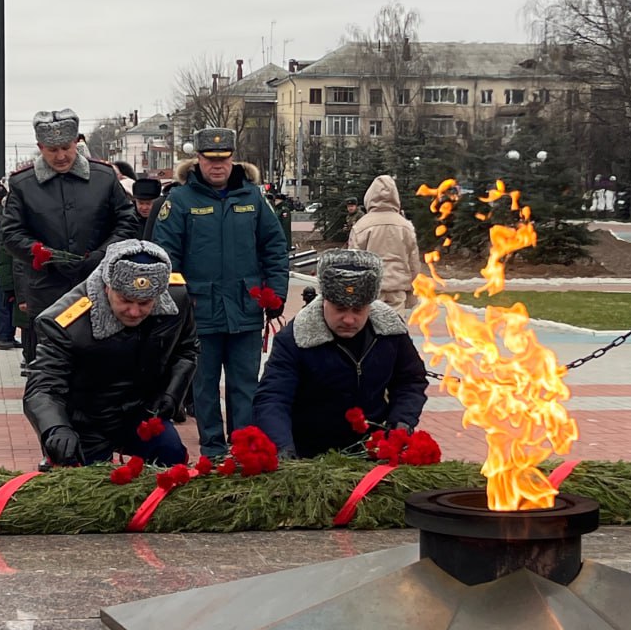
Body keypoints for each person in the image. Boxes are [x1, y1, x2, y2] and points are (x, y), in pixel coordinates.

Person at [152, 127, 289, 458]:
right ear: (198, 160)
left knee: (246, 383)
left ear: (232, 159)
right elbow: (165, 258)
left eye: (224, 159)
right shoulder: (180, 201)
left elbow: (275, 247)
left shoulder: (253, 198)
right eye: (210, 159)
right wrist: (177, 304)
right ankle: (212, 448)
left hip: (245, 307)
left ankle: (243, 446)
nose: (218, 166)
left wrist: (276, 293)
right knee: (204, 385)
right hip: (199, 311)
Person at [24, 240, 197, 468]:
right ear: (107, 287)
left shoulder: (176, 298)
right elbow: (43, 387)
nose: (134, 311)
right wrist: (56, 429)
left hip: (142, 412)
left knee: (172, 456)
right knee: (83, 481)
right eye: (125, 300)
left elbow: (187, 349)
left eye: (145, 303)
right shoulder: (64, 323)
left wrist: (172, 394)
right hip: (85, 421)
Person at [253, 249, 428, 458]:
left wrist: (400, 424)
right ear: (324, 301)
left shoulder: (390, 331)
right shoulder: (296, 337)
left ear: (370, 306)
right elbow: (273, 398)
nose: (349, 319)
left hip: (372, 448)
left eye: (358, 310)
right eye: (340, 309)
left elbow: (410, 380)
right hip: (310, 453)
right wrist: (283, 448)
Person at [0, 108, 137, 346]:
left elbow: (127, 221)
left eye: (65, 148)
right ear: (40, 147)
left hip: (100, 285)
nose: (61, 156)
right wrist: (43, 255)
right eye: (52, 150)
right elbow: (11, 233)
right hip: (47, 290)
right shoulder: (23, 184)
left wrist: (104, 254)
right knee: (48, 360)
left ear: (76, 142)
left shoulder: (103, 177)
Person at [348, 174, 420, 315]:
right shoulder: (405, 226)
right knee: (395, 324)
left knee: (371, 325)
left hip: (370, 289)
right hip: (397, 289)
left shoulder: (362, 225)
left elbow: (353, 262)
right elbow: (414, 263)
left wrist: (353, 290)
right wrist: (411, 289)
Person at [0, 230, 19, 350]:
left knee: (12, 303)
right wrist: (13, 247)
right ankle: (1, 337)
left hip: (10, 269)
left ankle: (10, 336)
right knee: (3, 303)